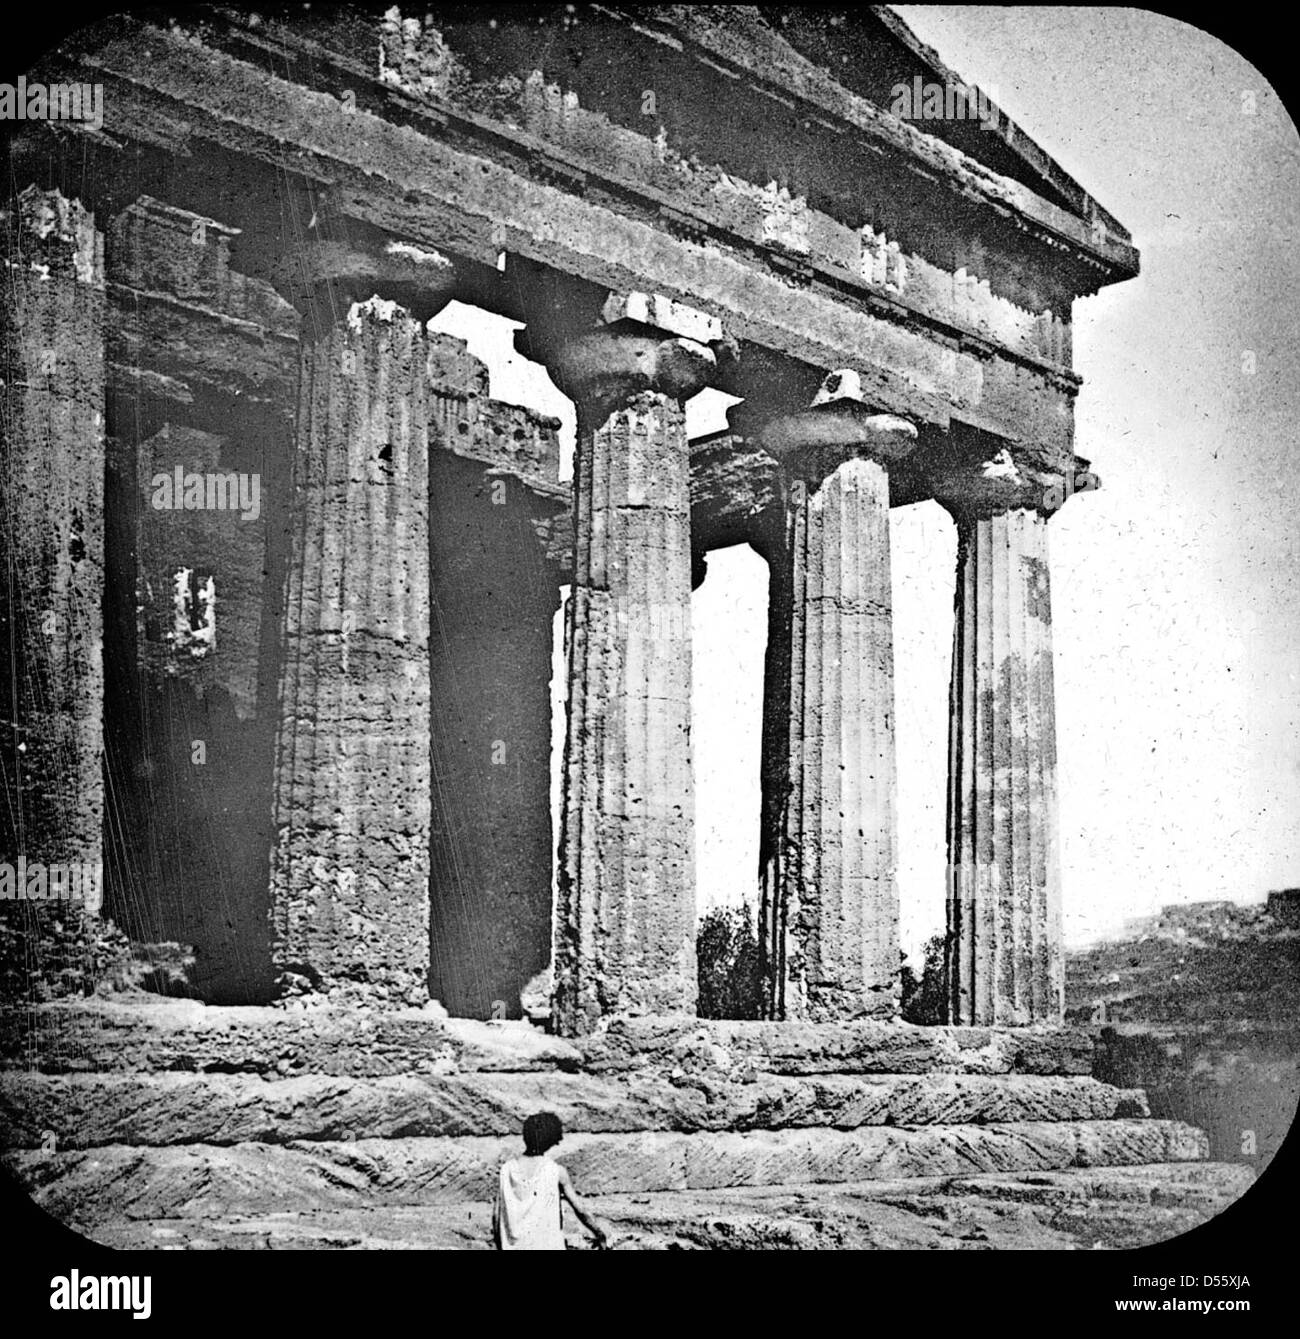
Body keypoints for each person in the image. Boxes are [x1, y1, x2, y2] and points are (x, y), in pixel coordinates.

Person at [493, 1111, 608, 1250]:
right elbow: (581, 1211)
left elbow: (496, 1216)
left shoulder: (506, 1169)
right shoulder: (556, 1171)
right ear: (550, 1140)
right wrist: (600, 1234)